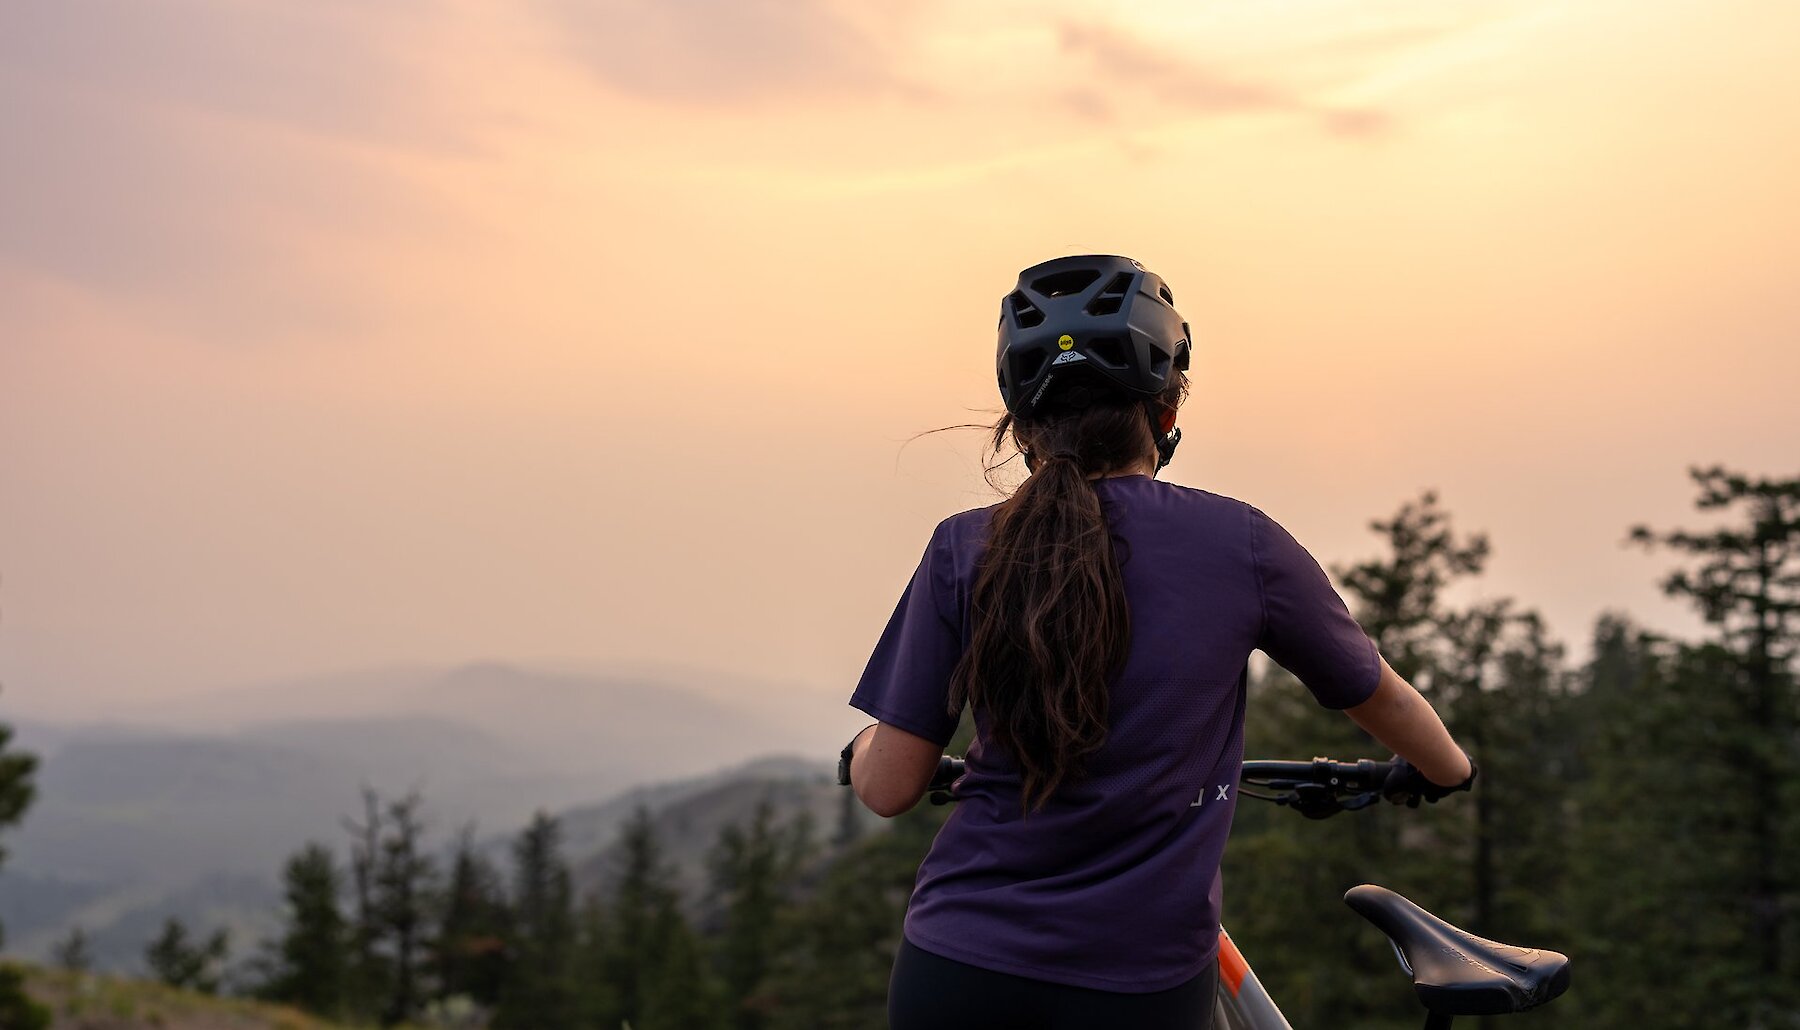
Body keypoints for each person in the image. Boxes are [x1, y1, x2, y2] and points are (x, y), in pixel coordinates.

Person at [841, 254, 1475, 1030]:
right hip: (1139, 985)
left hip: (960, 971)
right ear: (1166, 411)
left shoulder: (964, 546)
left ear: (1025, 427)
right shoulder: (1240, 541)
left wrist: (865, 747)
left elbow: (887, 787)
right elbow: (1377, 692)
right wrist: (1445, 770)